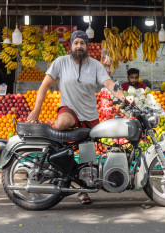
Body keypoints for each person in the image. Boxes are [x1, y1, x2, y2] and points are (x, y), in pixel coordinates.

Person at [27, 30, 134, 205]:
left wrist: (123, 97)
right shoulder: (60, 62)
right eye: (75, 43)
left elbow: (108, 83)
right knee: (62, 123)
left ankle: (83, 189)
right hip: (69, 110)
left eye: (82, 43)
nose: (79, 46)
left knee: (88, 155)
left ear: (86, 46)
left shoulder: (96, 65)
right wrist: (36, 111)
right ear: (70, 45)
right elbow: (44, 85)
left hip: (90, 114)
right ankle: (58, 162)